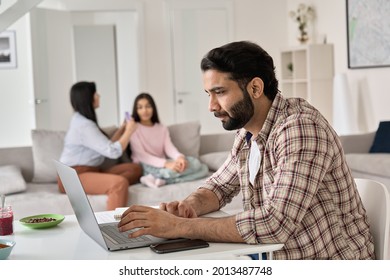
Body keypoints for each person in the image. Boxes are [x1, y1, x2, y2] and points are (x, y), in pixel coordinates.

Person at [118, 41, 375, 259]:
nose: (211, 106)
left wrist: (181, 227)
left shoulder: (300, 128)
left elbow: (275, 224)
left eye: (219, 92)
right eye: (208, 93)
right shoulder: (247, 132)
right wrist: (187, 207)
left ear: (255, 88)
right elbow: (218, 187)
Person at [58, 81, 142, 210]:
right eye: (95, 94)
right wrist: (130, 131)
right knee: (120, 183)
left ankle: (107, 185)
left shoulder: (83, 120)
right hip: (72, 177)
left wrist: (121, 130)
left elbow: (106, 147)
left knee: (135, 169)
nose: (99, 96)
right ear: (88, 98)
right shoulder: (84, 125)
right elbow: (113, 152)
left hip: (92, 171)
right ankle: (112, 225)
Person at [129, 92, 208, 188]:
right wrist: (166, 164)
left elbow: (169, 148)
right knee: (193, 170)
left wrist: (179, 158)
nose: (144, 110)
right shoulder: (133, 128)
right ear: (135, 110)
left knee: (198, 165)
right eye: (140, 107)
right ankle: (158, 177)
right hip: (146, 165)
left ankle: (160, 179)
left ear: (153, 108)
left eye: (148, 106)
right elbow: (142, 156)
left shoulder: (162, 128)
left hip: (163, 163)